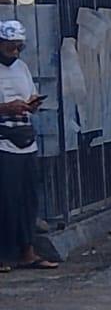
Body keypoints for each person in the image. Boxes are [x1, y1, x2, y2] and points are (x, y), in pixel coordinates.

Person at [0, 20, 57, 270]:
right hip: (4, 143)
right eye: (10, 47)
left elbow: (29, 95)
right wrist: (6, 108)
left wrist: (31, 104)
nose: (15, 52)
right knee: (6, 200)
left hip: (26, 141)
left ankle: (27, 250)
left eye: (18, 48)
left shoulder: (21, 68)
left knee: (28, 199)